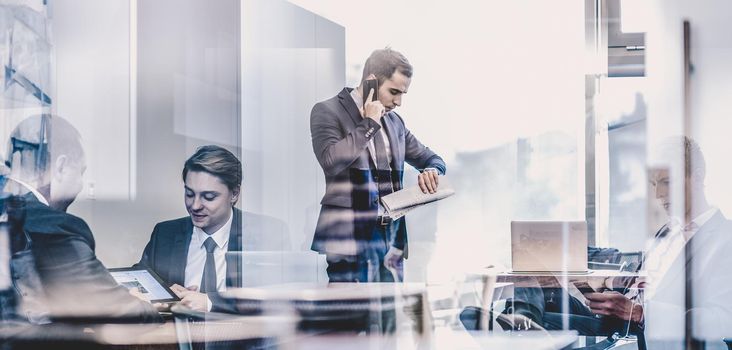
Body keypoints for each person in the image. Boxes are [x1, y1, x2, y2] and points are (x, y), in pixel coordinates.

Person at [490, 136, 732, 347]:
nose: (658, 195)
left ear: (697, 176)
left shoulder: (725, 237)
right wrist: (606, 291)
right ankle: (515, 319)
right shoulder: (666, 232)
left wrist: (640, 313)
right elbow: (642, 286)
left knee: (539, 322)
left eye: (667, 182)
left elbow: (723, 321)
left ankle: (510, 323)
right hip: (613, 320)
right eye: (654, 184)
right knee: (532, 265)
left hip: (637, 333)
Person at [2, 114, 160, 323]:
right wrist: (144, 306)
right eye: (80, 172)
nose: (80, 185)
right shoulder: (57, 227)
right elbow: (119, 311)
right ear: (61, 166)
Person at [310, 47, 446, 283]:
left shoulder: (395, 123)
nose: (399, 101)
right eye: (394, 91)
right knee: (351, 315)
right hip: (349, 240)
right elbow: (331, 161)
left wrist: (432, 170)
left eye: (403, 93)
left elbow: (431, 158)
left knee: (389, 316)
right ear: (371, 81)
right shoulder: (327, 110)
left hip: (390, 240)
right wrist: (369, 123)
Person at [137, 145, 289, 312]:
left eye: (208, 197)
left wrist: (210, 302)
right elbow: (138, 282)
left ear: (234, 194)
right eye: (189, 194)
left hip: (243, 336)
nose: (195, 206)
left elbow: (277, 297)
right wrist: (164, 294)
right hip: (179, 336)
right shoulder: (165, 234)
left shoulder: (267, 233)